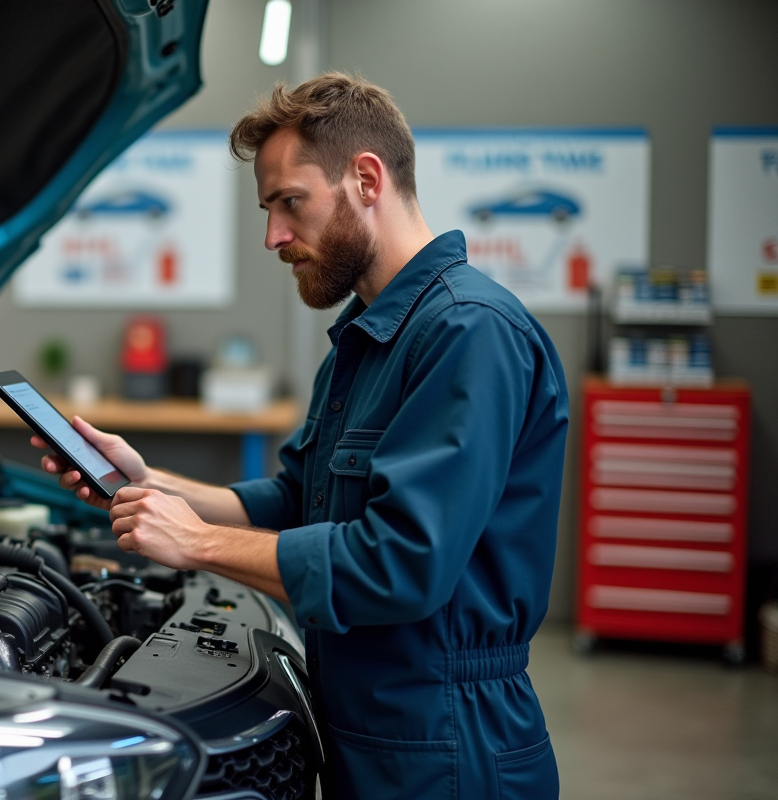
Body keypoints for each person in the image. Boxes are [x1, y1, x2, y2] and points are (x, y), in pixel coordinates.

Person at [33, 73, 569, 800]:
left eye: (291, 203)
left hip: (445, 742)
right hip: (367, 724)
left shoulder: (469, 332)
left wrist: (194, 543)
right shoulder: (365, 338)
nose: (273, 236)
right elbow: (296, 499)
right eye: (267, 209)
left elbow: (401, 563)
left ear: (367, 179)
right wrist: (147, 483)